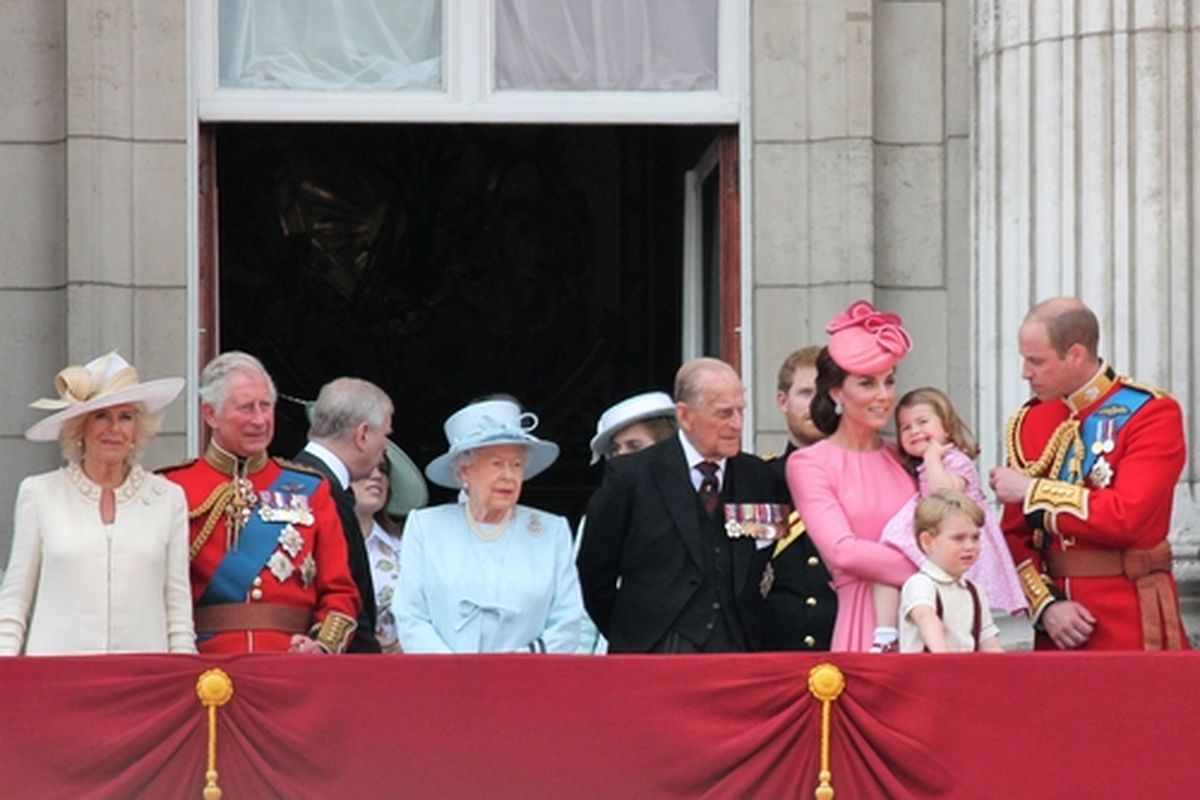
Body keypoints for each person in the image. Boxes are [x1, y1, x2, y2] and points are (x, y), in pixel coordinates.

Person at [988, 297, 1188, 650]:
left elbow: (1127, 516)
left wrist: (1033, 490)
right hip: (1056, 630)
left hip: (1130, 617)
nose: (1025, 373)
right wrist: (1046, 605)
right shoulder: (1031, 421)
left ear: (1076, 354)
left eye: (1036, 361)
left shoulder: (1151, 414)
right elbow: (1014, 536)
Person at [578, 358, 791, 653]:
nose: (737, 424)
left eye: (741, 411)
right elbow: (594, 572)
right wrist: (632, 634)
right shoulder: (631, 476)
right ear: (685, 416)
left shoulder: (761, 479)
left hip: (738, 649)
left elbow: (769, 562)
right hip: (656, 651)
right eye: (723, 413)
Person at [162, 352, 361, 654]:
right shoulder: (173, 488)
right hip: (204, 664)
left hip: (291, 662)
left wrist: (322, 647)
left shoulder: (312, 489)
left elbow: (340, 591)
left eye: (265, 406)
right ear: (210, 414)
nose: (260, 419)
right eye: (246, 408)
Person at [0, 351, 195, 655]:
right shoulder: (40, 494)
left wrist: (184, 678)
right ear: (80, 428)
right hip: (59, 678)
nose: (114, 429)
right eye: (101, 416)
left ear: (136, 429)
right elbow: (14, 603)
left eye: (126, 417)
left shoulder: (168, 499)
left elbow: (178, 610)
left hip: (143, 680)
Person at [393, 398, 583, 653]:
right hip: (445, 683)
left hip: (528, 681)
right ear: (464, 472)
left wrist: (516, 667)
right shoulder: (426, 527)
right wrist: (455, 672)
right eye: (496, 464)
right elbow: (410, 615)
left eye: (516, 465)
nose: (508, 475)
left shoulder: (551, 531)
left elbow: (568, 620)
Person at [786, 300, 919, 652]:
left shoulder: (904, 456)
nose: (884, 395)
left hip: (927, 620)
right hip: (864, 624)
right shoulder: (810, 463)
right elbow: (843, 552)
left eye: (889, 381)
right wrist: (932, 569)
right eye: (867, 383)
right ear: (835, 392)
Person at [874, 387, 1025, 650]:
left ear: (946, 427)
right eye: (905, 427)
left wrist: (933, 458)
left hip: (956, 526)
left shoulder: (956, 460)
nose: (914, 431)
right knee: (884, 562)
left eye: (923, 422)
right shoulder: (920, 466)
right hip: (935, 526)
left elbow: (943, 493)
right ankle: (885, 632)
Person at [292, 377, 395, 654]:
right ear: (362, 435)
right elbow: (342, 598)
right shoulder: (323, 492)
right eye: (385, 435)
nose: (385, 447)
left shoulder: (293, 482)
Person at [577, 390, 678, 653]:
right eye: (615, 450)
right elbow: (587, 597)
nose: (623, 457)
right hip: (622, 655)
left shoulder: (705, 502)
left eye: (634, 446)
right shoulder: (600, 514)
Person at [761, 346, 837, 651]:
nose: (816, 404)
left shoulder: (863, 477)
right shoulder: (758, 479)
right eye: (806, 393)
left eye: (825, 393)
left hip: (845, 646)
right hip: (772, 652)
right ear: (783, 401)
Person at [899, 490, 1004, 653]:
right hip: (927, 675)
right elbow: (925, 617)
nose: (970, 546)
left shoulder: (975, 591)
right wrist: (945, 660)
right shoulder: (920, 583)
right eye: (959, 538)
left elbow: (988, 643)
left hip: (963, 675)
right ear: (927, 542)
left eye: (975, 538)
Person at [351, 442, 428, 653]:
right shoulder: (318, 542)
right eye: (366, 467)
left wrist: (405, 646)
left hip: (403, 668)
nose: (377, 476)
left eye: (383, 470)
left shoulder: (407, 547)